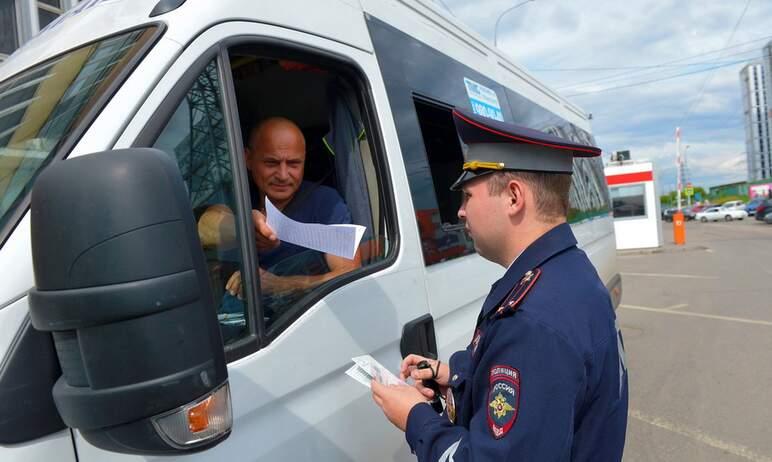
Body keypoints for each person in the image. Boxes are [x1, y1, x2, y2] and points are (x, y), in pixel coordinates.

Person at [371, 109, 628, 461]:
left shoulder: (533, 321)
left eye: (468, 196)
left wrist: (415, 417)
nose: (460, 212)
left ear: (513, 197)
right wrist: (458, 378)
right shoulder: (567, 274)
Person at [199, 117, 361, 298]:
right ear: (248, 159)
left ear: (304, 160)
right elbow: (205, 226)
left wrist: (279, 285)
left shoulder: (325, 203)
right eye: (271, 163)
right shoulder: (239, 194)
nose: (283, 175)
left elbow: (348, 274)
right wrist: (242, 227)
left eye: (293, 163)